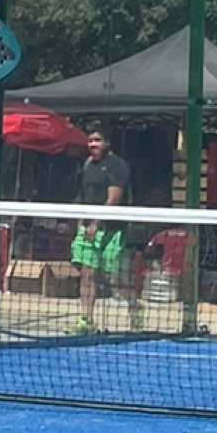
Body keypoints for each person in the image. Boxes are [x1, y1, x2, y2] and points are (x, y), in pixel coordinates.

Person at [69, 123, 131, 331]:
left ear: (107, 143)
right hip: (87, 228)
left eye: (97, 140)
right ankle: (86, 319)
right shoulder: (87, 165)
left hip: (111, 229)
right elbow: (84, 196)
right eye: (90, 141)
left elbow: (113, 199)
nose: (93, 144)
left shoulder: (117, 165)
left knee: (114, 279)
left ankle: (134, 306)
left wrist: (97, 223)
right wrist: (81, 223)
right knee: (87, 274)